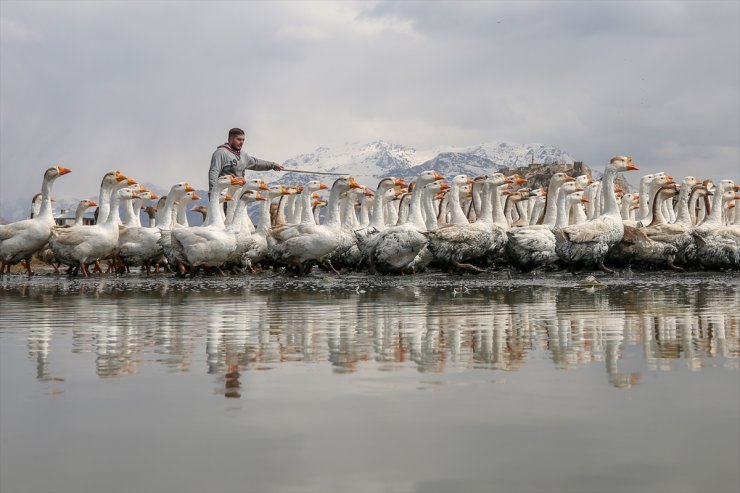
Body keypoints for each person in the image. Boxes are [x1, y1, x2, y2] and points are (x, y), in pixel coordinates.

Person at [208, 128, 284, 197]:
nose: (241, 142)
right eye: (239, 139)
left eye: (243, 140)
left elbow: (256, 163)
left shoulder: (242, 155)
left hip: (237, 195)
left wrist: (273, 165)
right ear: (230, 139)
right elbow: (214, 173)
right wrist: (213, 194)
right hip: (223, 196)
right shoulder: (221, 153)